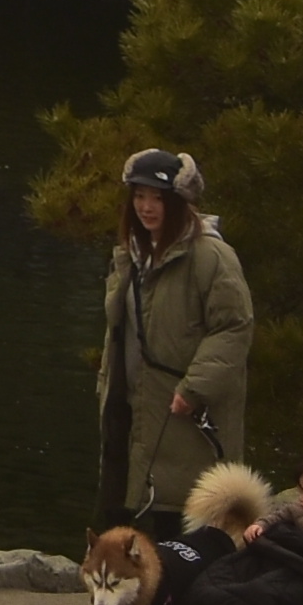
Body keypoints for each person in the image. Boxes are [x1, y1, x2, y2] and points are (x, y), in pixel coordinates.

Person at [97, 150, 260, 528]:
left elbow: (235, 326)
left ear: (178, 202)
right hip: (134, 401)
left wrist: (195, 387)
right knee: (131, 500)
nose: (146, 207)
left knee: (185, 508)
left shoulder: (212, 256)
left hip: (184, 405)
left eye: (157, 197)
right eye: (139, 196)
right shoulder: (132, 255)